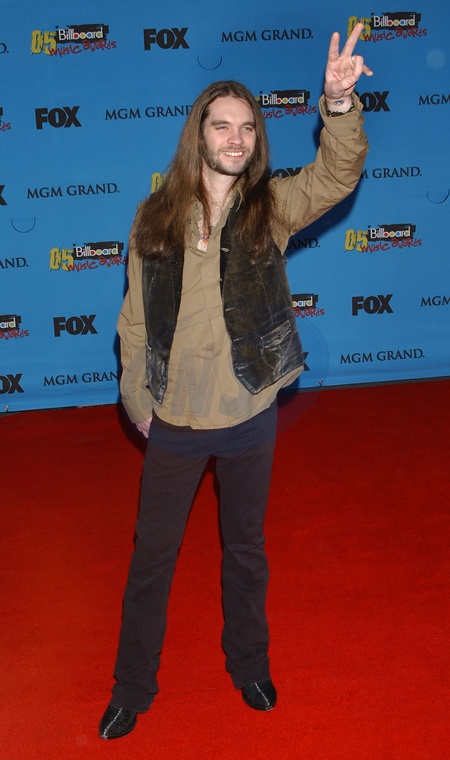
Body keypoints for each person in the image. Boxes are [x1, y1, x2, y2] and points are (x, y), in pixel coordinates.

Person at [99, 22, 372, 740]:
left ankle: (249, 664)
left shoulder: (270, 208)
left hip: (249, 412)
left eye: (247, 127)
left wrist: (338, 106)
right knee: (152, 560)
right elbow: (134, 320)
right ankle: (132, 685)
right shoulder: (154, 217)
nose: (236, 138)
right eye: (222, 125)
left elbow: (337, 175)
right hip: (175, 419)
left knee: (246, 552)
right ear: (199, 135)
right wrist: (137, 401)